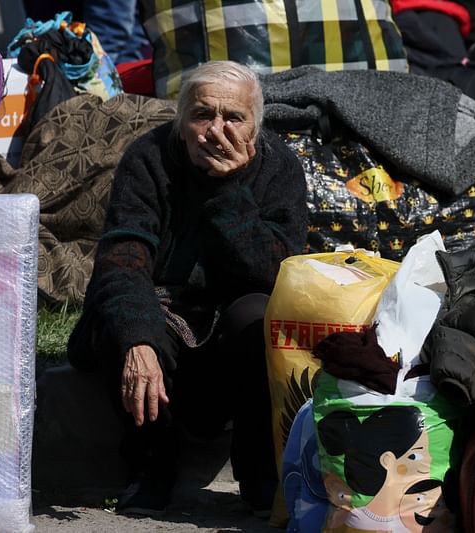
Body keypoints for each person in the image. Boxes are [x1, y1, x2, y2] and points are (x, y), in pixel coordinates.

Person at [67, 60, 309, 517]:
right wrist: (139, 339)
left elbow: (275, 271)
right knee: (125, 320)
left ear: (254, 127)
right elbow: (122, 259)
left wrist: (230, 188)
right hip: (165, 308)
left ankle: (259, 474)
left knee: (260, 315)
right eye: (202, 115)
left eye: (233, 118)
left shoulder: (278, 167)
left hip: (229, 321)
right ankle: (150, 468)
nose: (216, 130)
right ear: (181, 121)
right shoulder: (149, 158)